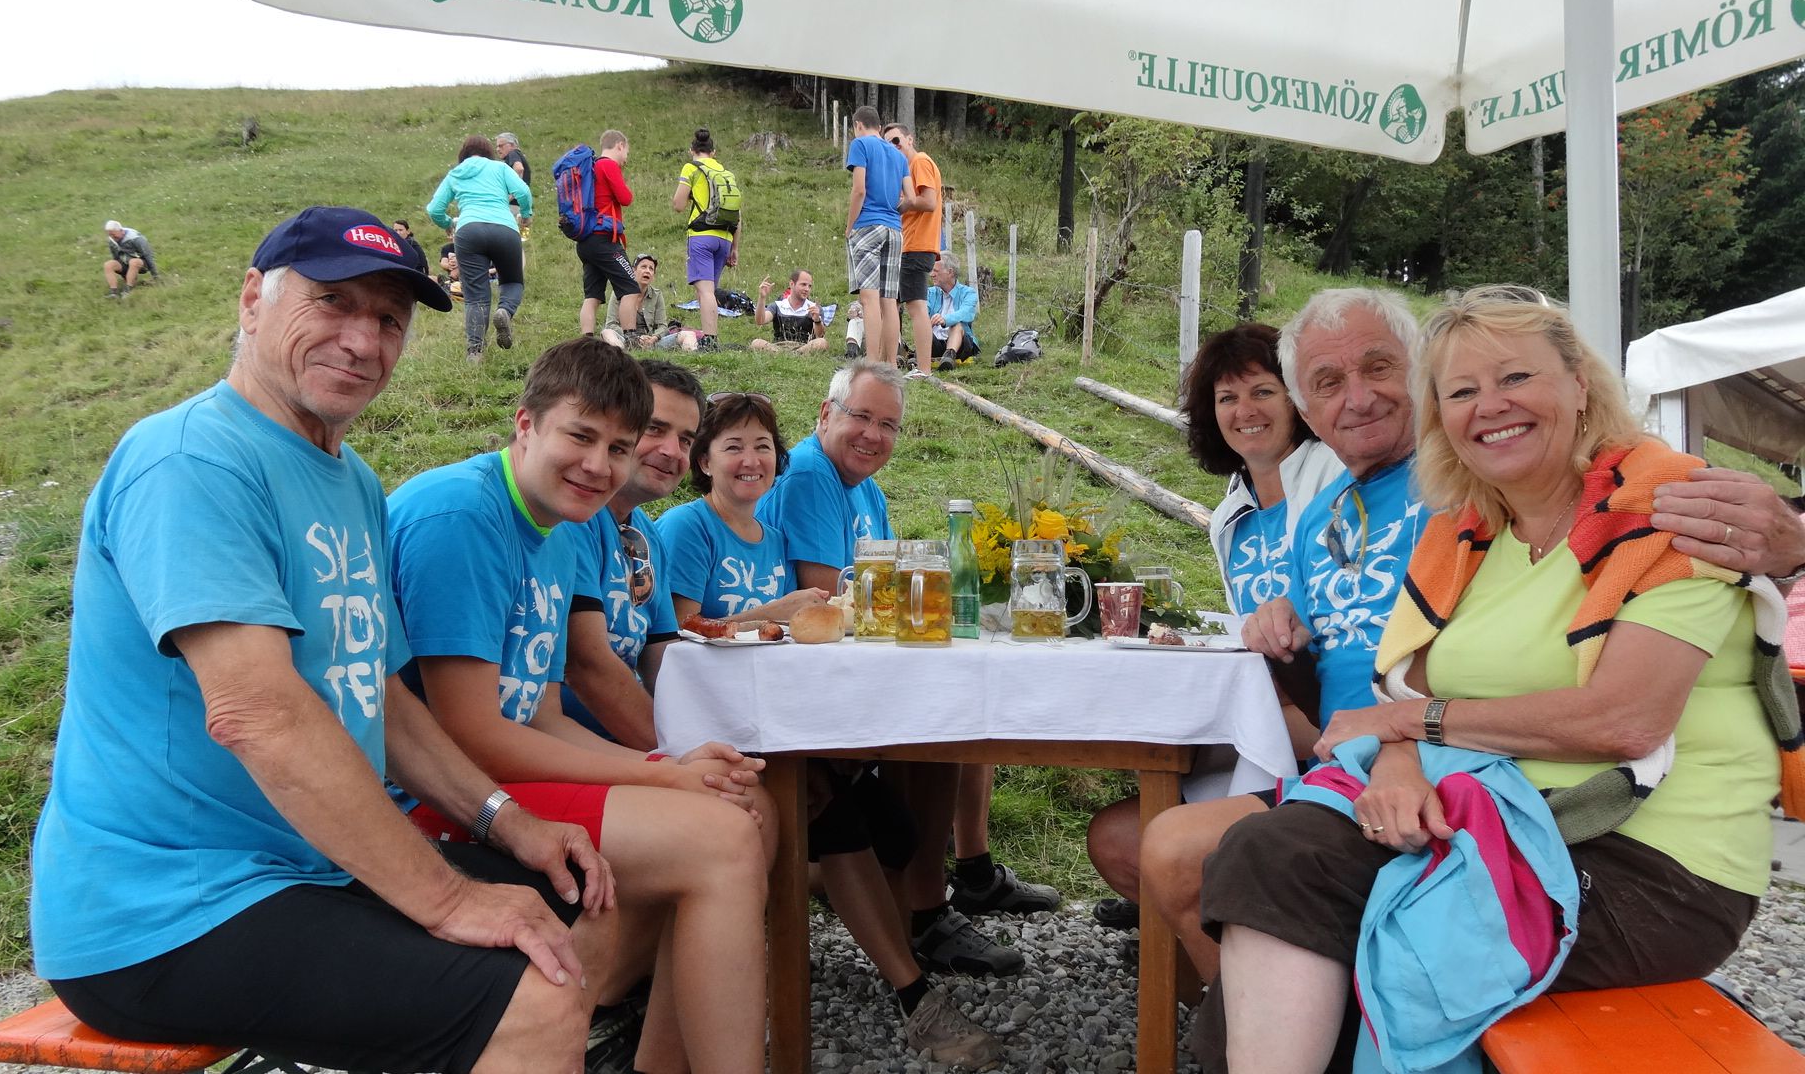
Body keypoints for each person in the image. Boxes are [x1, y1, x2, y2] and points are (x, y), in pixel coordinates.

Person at [30, 206, 612, 1074]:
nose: (362, 340)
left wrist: (505, 822)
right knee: (535, 996)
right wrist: (450, 900)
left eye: (388, 319)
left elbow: (381, 694)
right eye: (332, 301)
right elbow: (258, 715)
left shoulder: (353, 481)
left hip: (300, 872)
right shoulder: (191, 461)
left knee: (575, 900)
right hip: (164, 911)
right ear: (252, 300)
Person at [1200, 285, 1798, 1074]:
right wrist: (1399, 761)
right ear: (1439, 415)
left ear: (1579, 384)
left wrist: (1409, 730)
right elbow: (1402, 693)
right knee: (1267, 859)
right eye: (1461, 392)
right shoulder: (1467, 529)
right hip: (1492, 815)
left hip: (1649, 861)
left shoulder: (1667, 507)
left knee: (1359, 946)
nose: (1490, 406)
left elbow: (1624, 721)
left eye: (1515, 377)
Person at [386, 337, 770, 1074]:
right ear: (525, 423)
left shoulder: (559, 530)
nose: (600, 465)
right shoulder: (461, 515)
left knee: (735, 806)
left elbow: (543, 713)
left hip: (495, 776)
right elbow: (470, 735)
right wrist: (663, 774)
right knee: (721, 839)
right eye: (581, 436)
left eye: (618, 448)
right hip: (429, 796)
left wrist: (669, 763)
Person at [757, 361, 1054, 977]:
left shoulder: (861, 484)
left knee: (960, 695)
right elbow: (829, 603)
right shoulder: (811, 475)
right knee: (942, 720)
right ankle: (926, 910)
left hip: (844, 669)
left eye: (888, 425)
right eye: (861, 417)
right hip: (807, 685)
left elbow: (884, 589)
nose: (874, 435)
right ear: (826, 414)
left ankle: (962, 877)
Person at [1084, 322, 1339, 922]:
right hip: (1270, 720)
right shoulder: (1231, 517)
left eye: (1262, 391)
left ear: (1299, 399)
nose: (1244, 411)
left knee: (1160, 813)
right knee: (1116, 838)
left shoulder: (1336, 480)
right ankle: (1200, 935)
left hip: (1335, 725)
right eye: (1227, 398)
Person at [560, 361, 704, 751]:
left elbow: (663, 660)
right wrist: (678, 755)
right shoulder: (572, 516)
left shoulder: (647, 534)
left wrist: (714, 734)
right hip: (572, 745)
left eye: (686, 440)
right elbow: (587, 667)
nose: (672, 451)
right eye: (654, 429)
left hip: (615, 743)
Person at [653, 392, 833, 625]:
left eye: (762, 447)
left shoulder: (778, 542)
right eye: (734, 448)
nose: (751, 461)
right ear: (705, 462)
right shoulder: (686, 527)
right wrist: (770, 613)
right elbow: (678, 633)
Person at [427, 134, 532, 362]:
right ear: (488, 152)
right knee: (512, 281)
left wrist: (448, 224)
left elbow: (434, 209)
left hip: (469, 231)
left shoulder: (456, 173)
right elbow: (523, 192)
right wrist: (526, 215)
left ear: (463, 154)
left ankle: (475, 351)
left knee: (476, 296)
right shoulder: (499, 168)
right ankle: (504, 311)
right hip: (504, 229)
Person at [844, 106, 914, 368]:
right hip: (894, 230)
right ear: (879, 126)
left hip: (867, 226)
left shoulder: (860, 144)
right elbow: (911, 198)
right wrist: (892, 212)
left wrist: (850, 226)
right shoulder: (898, 155)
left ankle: (872, 362)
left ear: (858, 125)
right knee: (889, 300)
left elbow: (859, 190)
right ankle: (891, 363)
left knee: (869, 298)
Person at [670, 128, 741, 352]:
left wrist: (691, 195)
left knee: (705, 291)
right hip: (725, 238)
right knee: (708, 289)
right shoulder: (725, 173)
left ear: (692, 150)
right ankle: (708, 334)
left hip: (701, 235)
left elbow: (678, 205)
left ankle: (710, 339)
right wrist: (735, 248)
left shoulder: (691, 168)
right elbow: (737, 215)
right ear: (714, 152)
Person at [885, 124, 943, 376]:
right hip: (909, 244)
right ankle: (887, 363)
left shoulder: (919, 161)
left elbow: (929, 201)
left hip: (917, 245)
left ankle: (924, 369)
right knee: (890, 304)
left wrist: (900, 204)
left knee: (916, 307)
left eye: (896, 140)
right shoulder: (905, 170)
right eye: (888, 144)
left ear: (909, 139)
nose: (894, 146)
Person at [578, 130, 642, 340]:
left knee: (593, 296)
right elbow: (625, 198)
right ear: (620, 145)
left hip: (585, 241)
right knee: (631, 288)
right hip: (604, 240)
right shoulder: (608, 165)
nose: (626, 159)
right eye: (626, 152)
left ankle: (586, 341)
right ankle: (631, 338)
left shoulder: (591, 167)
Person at [602, 254, 687, 351]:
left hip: (650, 342)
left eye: (651, 269)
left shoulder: (657, 295)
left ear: (653, 276)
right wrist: (634, 338)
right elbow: (611, 324)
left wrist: (654, 338)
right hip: (625, 340)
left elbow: (663, 326)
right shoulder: (619, 293)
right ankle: (622, 356)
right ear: (633, 271)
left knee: (687, 335)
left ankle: (694, 357)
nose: (647, 271)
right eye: (643, 267)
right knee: (607, 332)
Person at [749, 269, 829, 354]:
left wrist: (817, 320)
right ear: (792, 284)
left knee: (822, 342)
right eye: (803, 284)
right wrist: (762, 297)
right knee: (756, 343)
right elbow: (760, 321)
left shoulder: (814, 308)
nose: (807, 289)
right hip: (778, 347)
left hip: (804, 347)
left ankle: (794, 354)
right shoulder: (778, 306)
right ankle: (784, 355)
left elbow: (820, 335)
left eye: (809, 286)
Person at [924, 257, 982, 370]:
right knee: (922, 325)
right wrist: (926, 322)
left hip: (961, 346)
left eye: (936, 271)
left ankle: (949, 356)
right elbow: (923, 311)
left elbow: (966, 313)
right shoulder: (929, 293)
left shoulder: (968, 293)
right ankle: (919, 355)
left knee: (956, 325)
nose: (931, 274)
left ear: (950, 272)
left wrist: (945, 320)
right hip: (935, 343)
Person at [102, 219, 157, 298]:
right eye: (110, 235)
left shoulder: (136, 238)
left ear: (121, 231)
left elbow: (148, 255)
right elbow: (116, 257)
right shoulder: (111, 240)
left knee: (133, 262)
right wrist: (124, 275)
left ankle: (128, 290)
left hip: (141, 264)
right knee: (108, 265)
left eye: (114, 235)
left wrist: (155, 275)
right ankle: (113, 292)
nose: (112, 237)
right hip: (125, 263)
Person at [496, 131, 532, 227]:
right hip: (519, 206)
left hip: (512, 207)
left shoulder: (513, 153)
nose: (498, 149)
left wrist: (509, 196)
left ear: (512, 145)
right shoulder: (518, 156)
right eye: (497, 146)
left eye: (501, 146)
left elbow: (519, 169)